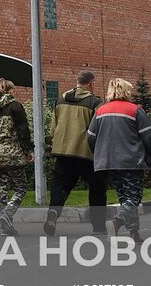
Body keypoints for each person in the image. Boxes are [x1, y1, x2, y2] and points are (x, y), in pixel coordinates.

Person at [87, 77, 151, 242]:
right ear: (126, 92)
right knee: (134, 197)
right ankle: (117, 222)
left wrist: (99, 153)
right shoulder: (134, 110)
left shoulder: (100, 111)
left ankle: (134, 233)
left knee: (124, 197)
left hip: (108, 162)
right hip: (131, 161)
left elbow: (91, 137)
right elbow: (148, 136)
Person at [44, 69, 105, 236]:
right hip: (85, 153)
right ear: (91, 84)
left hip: (62, 151)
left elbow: (53, 127)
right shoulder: (95, 103)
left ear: (77, 81)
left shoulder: (60, 99)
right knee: (97, 187)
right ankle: (99, 227)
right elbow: (99, 129)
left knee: (60, 185)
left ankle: (53, 212)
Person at [0, 78, 34, 236]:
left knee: (1, 190)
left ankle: (5, 228)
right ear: (10, 91)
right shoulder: (15, 106)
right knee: (21, 187)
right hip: (13, 153)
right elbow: (23, 130)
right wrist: (28, 150)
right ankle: (7, 214)